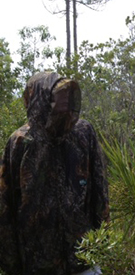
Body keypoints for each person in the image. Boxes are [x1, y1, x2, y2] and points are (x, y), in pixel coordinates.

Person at [0, 71, 109, 275]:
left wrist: (103, 247)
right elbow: (6, 207)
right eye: (54, 99)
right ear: (38, 100)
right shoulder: (20, 142)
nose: (62, 106)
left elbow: (100, 190)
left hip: (83, 260)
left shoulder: (83, 133)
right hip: (38, 265)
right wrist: (11, 265)